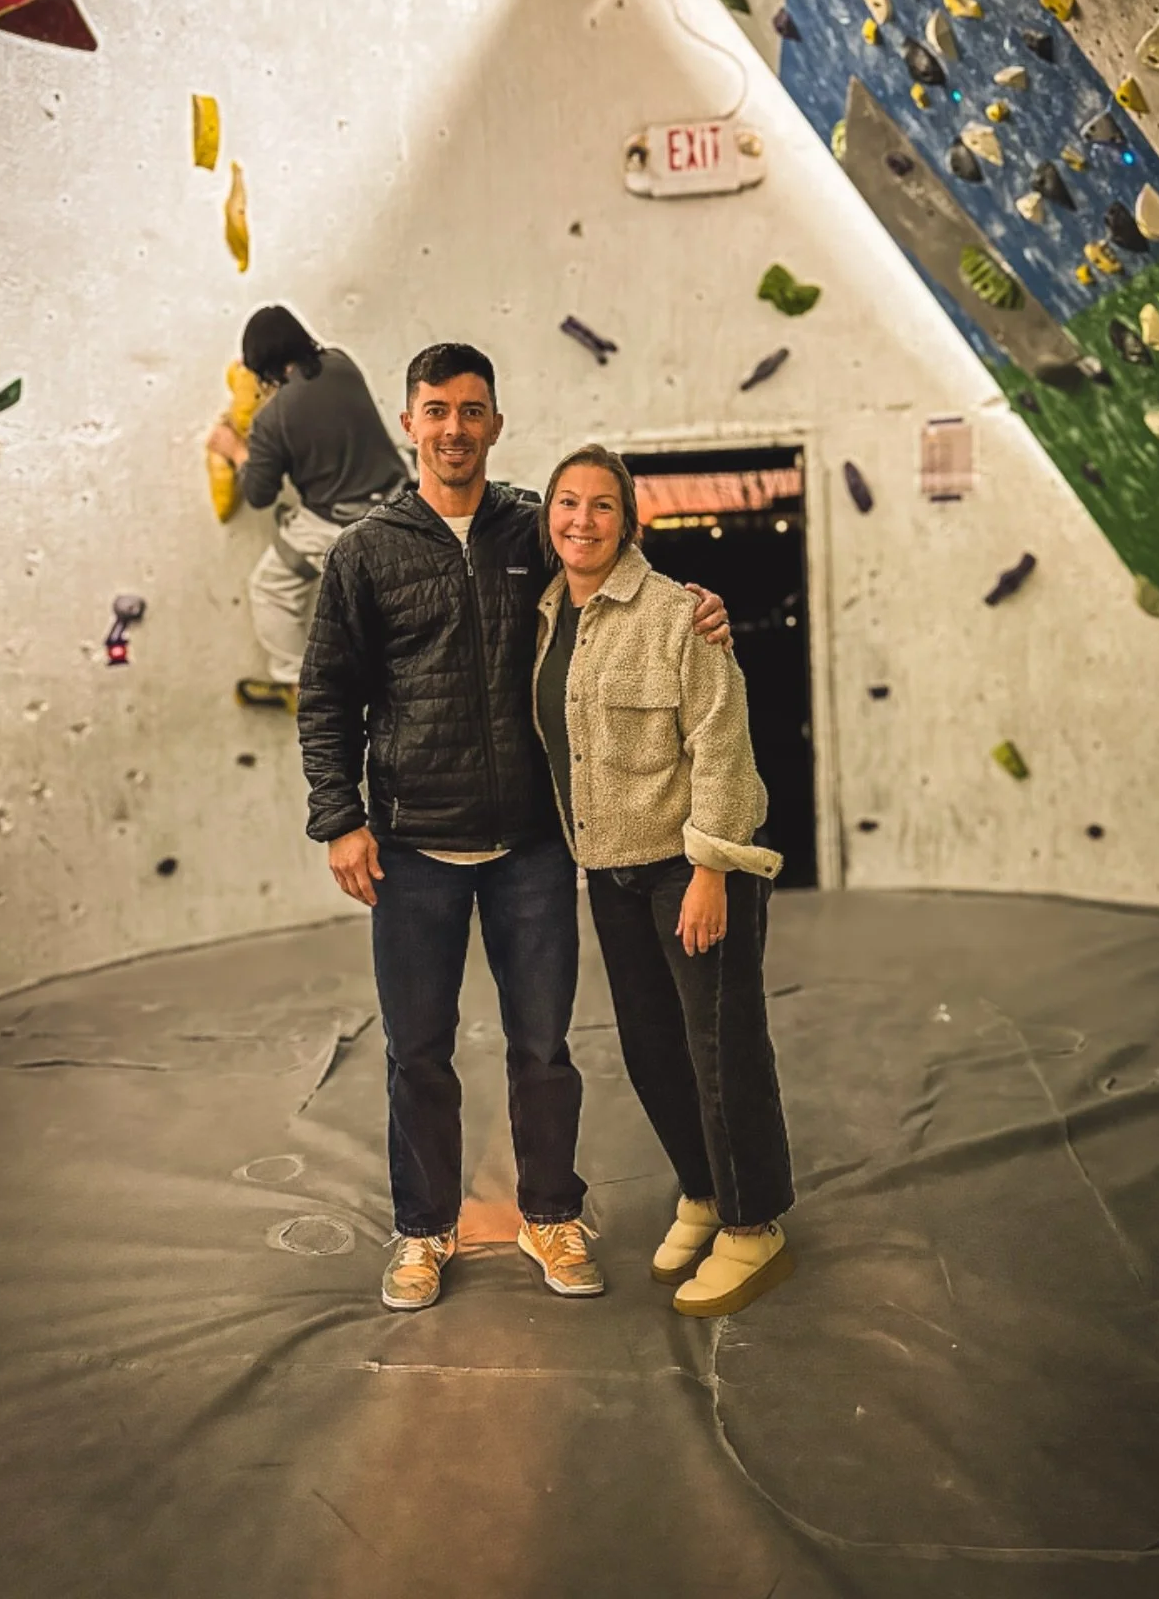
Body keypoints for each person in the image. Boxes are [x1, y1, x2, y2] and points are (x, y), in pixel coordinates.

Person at [295, 345, 730, 1312]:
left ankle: (548, 1214)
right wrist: (340, 819)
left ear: (497, 422)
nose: (454, 427)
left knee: (544, 1049)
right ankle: (422, 1231)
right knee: (418, 1053)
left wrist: (701, 608)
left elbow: (628, 576)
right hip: (411, 850)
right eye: (435, 409)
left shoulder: (539, 525)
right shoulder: (366, 552)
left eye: (473, 410)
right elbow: (325, 695)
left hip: (532, 845)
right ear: (409, 423)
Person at [533, 444, 795, 1318]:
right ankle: (703, 1193)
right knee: (652, 1049)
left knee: (721, 1047)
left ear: (629, 520)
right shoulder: (545, 615)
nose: (582, 519)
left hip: (690, 868)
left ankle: (755, 1227)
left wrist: (711, 868)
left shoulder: (680, 615)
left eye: (602, 505)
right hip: (609, 870)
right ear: (548, 518)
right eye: (566, 503)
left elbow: (721, 745)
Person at [206, 305, 408, 712]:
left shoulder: (272, 422)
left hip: (343, 526)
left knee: (271, 589)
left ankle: (300, 686)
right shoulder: (340, 363)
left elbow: (259, 494)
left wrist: (238, 449)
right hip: (401, 497)